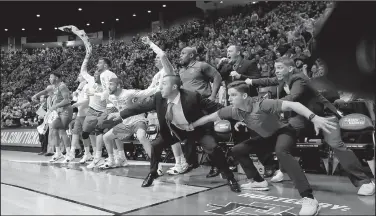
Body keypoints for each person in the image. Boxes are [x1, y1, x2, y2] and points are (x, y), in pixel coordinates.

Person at [191, 81, 337, 216]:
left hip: (284, 131)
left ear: (244, 95)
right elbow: (209, 118)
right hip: (266, 137)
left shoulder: (263, 104)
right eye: (229, 96)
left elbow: (294, 105)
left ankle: (309, 198)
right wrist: (191, 126)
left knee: (281, 152)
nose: (230, 99)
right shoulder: (233, 110)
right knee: (237, 150)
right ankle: (258, 181)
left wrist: (314, 118)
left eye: (233, 95)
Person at [246, 56, 375, 196]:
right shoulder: (284, 77)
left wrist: (266, 105)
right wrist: (249, 80)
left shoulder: (298, 79)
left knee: (335, 144)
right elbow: (269, 80)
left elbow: (292, 98)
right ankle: (282, 170)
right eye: (275, 68)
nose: (276, 71)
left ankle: (365, 182)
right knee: (282, 138)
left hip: (324, 116)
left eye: (279, 68)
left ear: (289, 68)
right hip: (304, 118)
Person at [109, 75, 241, 192]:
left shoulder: (192, 97)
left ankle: (230, 177)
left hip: (196, 129)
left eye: (164, 84)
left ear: (174, 87)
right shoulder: (158, 97)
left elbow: (216, 107)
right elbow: (140, 107)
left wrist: (236, 118)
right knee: (155, 145)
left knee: (213, 148)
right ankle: (153, 173)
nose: (160, 87)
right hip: (174, 130)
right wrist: (121, 114)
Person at [143, 36, 189, 175]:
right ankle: (180, 162)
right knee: (168, 135)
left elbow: (162, 54)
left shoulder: (169, 71)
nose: (156, 59)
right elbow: (149, 90)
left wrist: (150, 43)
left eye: (157, 58)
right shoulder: (157, 75)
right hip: (161, 106)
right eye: (155, 58)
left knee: (172, 134)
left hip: (172, 105)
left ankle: (182, 162)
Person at [178, 46, 223, 177]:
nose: (180, 55)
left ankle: (216, 165)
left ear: (191, 55)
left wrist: (213, 96)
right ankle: (191, 163)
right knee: (188, 133)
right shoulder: (181, 71)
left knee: (208, 135)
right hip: (189, 107)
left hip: (204, 103)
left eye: (183, 53)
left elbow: (217, 77)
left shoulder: (201, 65)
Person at [32, 72, 73, 162]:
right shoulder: (52, 87)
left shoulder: (62, 86)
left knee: (62, 130)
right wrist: (36, 95)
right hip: (59, 111)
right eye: (49, 77)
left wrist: (55, 106)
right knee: (54, 130)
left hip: (66, 110)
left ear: (57, 78)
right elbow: (45, 91)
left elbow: (67, 100)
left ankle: (69, 154)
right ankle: (58, 153)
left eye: (51, 77)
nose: (49, 79)